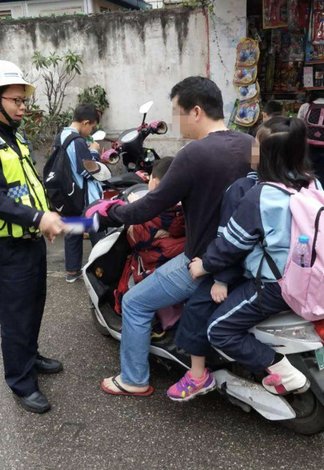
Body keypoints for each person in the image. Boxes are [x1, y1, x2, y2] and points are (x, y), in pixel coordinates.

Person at [95, 76, 253, 396]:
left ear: (195, 112)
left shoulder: (194, 153)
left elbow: (151, 205)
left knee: (135, 302)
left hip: (201, 260)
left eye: (176, 113)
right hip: (246, 257)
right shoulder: (250, 144)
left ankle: (133, 380)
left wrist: (110, 212)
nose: (174, 121)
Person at [180, 117, 315, 399]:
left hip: (274, 283)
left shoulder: (258, 194)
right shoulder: (311, 184)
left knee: (217, 329)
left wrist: (205, 267)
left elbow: (231, 244)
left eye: (255, 146)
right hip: (308, 276)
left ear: (265, 155)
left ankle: (282, 372)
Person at [0, 60, 66, 414]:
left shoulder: (15, 137)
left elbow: (28, 185)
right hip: (5, 248)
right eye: (17, 100)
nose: (23, 107)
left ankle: (30, 355)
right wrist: (39, 218)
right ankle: (21, 382)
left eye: (24, 101)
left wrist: (43, 219)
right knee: (15, 314)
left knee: (33, 305)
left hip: (30, 240)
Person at [114, 157, 186, 329]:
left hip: (152, 266)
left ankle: (144, 329)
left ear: (157, 181)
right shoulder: (187, 207)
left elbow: (135, 239)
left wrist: (135, 209)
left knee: (130, 298)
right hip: (179, 264)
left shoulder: (150, 214)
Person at [61, 104, 105, 283]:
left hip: (68, 194)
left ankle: (72, 271)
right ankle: (103, 269)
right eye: (92, 127)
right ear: (85, 122)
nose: (91, 131)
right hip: (84, 197)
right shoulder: (77, 141)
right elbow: (87, 171)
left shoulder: (62, 136)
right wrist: (94, 152)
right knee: (98, 231)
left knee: (73, 230)